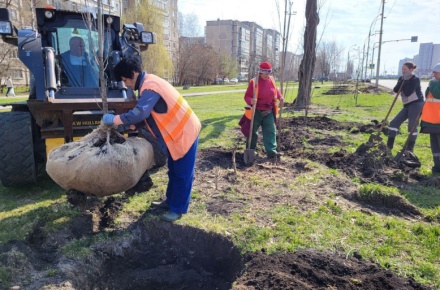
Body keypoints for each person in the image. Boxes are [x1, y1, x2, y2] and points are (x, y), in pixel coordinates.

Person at [102, 57, 201, 222]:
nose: (126, 84)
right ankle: (170, 201)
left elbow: (141, 112)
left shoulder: (150, 86)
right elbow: (153, 112)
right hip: (177, 134)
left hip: (185, 133)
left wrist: (114, 119)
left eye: (125, 80)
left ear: (133, 73)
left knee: (183, 173)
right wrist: (136, 125)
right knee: (174, 170)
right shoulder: (147, 84)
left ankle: (178, 209)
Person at [244, 61, 284, 159]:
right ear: (260, 72)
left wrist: (281, 97)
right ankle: (251, 150)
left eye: (269, 72)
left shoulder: (271, 80)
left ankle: (271, 152)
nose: (267, 75)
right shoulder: (254, 82)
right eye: (265, 73)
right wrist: (251, 101)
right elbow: (247, 96)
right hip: (256, 111)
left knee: (271, 131)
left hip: (268, 111)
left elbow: (276, 90)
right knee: (252, 132)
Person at [386, 61, 424, 152]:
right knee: (393, 123)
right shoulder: (402, 78)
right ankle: (389, 146)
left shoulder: (415, 79)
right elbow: (396, 90)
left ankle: (409, 150)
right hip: (407, 105)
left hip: (416, 104)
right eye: (402, 69)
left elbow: (407, 93)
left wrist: (406, 81)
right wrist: (402, 80)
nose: (403, 71)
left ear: (411, 70)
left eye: (405, 69)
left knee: (412, 127)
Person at [420, 63, 440, 173]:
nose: (433, 74)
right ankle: (437, 166)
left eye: (436, 73)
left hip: (438, 120)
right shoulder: (435, 83)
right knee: (435, 146)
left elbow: (437, 93)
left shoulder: (434, 84)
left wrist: (432, 83)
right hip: (432, 121)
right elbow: (428, 96)